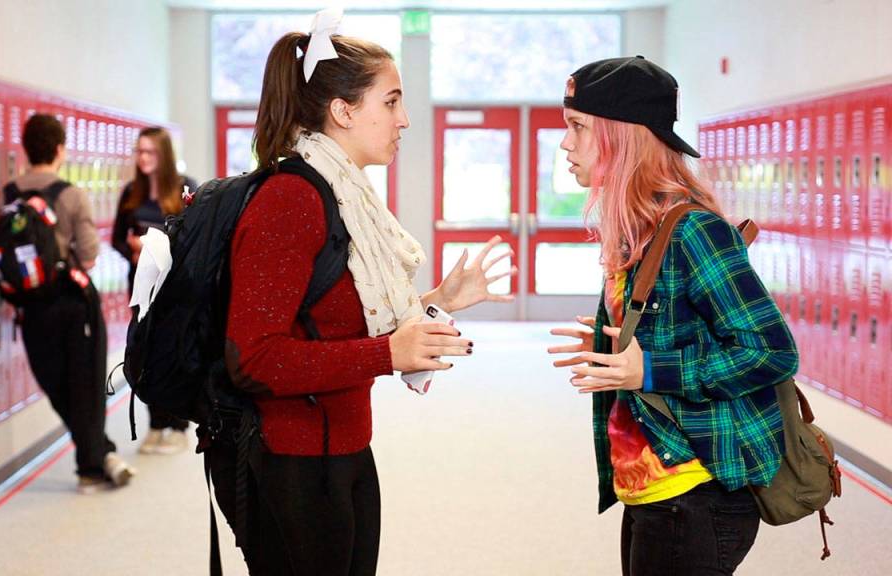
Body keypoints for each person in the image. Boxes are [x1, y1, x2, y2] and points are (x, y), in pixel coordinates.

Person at [212, 11, 515, 575]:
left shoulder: (347, 196)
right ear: (343, 111)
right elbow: (252, 358)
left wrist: (438, 300)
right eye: (392, 102)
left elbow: (341, 320)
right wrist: (387, 355)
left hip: (342, 453)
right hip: (293, 466)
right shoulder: (290, 201)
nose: (404, 121)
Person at [546, 56, 799, 576]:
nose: (565, 144)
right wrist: (610, 348)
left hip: (695, 491)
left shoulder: (692, 231)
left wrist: (650, 369)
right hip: (653, 483)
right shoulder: (636, 231)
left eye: (578, 128)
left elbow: (772, 351)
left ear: (623, 135)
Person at [8, 114, 137, 494]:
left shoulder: (8, 193)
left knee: (59, 386)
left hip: (31, 308)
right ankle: (94, 466)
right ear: (61, 149)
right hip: (74, 302)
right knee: (87, 384)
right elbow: (91, 256)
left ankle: (99, 458)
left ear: (25, 149)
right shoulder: (71, 194)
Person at [112, 126, 198, 455]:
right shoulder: (131, 192)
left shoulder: (185, 188)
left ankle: (178, 425)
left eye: (150, 152)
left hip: (174, 287)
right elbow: (117, 238)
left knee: (173, 353)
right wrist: (132, 248)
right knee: (144, 353)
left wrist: (162, 246)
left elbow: (195, 239)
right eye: (140, 152)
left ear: (164, 156)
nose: (143, 158)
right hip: (141, 285)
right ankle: (156, 424)